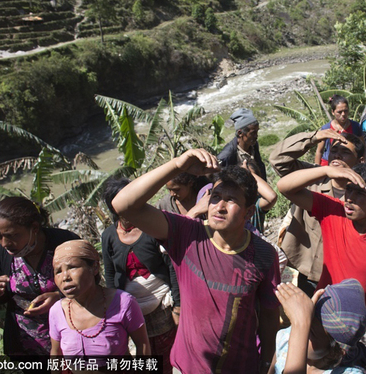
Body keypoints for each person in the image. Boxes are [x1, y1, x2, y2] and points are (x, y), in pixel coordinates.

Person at [112, 150, 280, 374]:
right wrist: (178, 165)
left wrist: (267, 363)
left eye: (231, 200)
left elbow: (269, 316)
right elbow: (124, 205)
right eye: (216, 196)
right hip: (188, 367)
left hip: (241, 366)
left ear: (249, 212)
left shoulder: (264, 254)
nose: (219, 206)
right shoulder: (187, 234)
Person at [278, 163, 366, 372]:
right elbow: (284, 187)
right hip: (324, 322)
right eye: (349, 189)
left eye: (360, 193)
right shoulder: (332, 210)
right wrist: (326, 171)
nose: (350, 198)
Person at [270, 129, 365, 296]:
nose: (337, 156)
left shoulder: (363, 194)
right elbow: (277, 160)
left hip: (339, 274)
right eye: (333, 151)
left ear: (360, 161)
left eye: (345, 152)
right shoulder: (314, 177)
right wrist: (313, 138)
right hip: (300, 268)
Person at [101, 177, 179, 373]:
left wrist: (178, 304)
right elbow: (110, 273)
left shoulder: (153, 226)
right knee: (144, 355)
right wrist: (112, 310)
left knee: (165, 354)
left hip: (162, 302)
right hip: (131, 306)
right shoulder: (109, 236)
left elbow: (171, 265)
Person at [0, 197, 79, 356]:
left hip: (72, 334)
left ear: (34, 228)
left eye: (11, 235)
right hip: (28, 343)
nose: (4, 243)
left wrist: (60, 297)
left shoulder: (65, 242)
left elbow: (92, 281)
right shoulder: (1, 251)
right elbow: (0, 298)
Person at [50, 240, 150, 361]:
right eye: (58, 271)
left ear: (95, 267)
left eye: (72, 267)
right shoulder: (57, 311)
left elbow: (142, 345)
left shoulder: (123, 302)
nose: (65, 277)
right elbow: (56, 354)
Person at [271, 280, 366, 374]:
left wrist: (301, 324)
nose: (298, 335)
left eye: (309, 330)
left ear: (335, 352)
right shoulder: (286, 338)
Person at [218, 108, 267, 181]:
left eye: (257, 132)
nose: (256, 136)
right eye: (252, 133)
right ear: (240, 133)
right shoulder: (226, 156)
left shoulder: (253, 145)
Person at [315, 95, 363, 166]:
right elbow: (319, 151)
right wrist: (316, 168)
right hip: (329, 164)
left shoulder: (355, 127)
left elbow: (362, 147)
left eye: (345, 111)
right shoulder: (326, 128)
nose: (343, 114)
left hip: (349, 164)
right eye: (339, 112)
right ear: (333, 112)